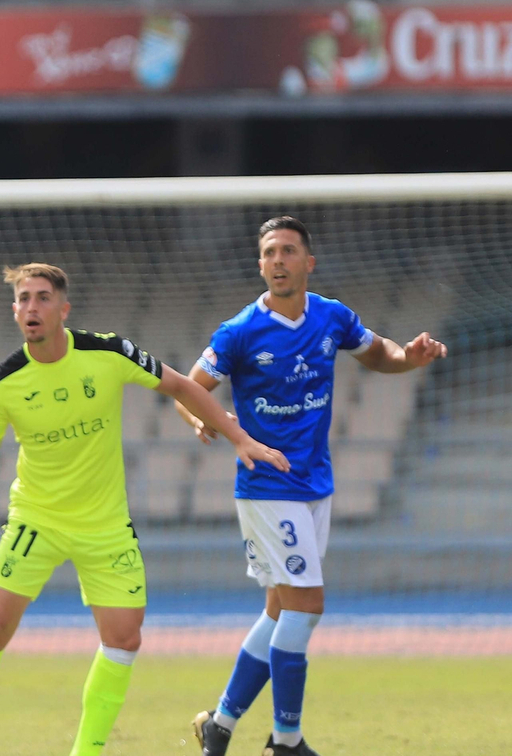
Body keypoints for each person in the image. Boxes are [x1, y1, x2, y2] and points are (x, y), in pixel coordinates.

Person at [0, 263, 290, 756]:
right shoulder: (4, 382)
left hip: (104, 526)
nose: (32, 307)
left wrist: (239, 438)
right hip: (36, 520)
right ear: (14, 310)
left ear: (64, 308)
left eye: (42, 297)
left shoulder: (108, 352)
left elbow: (182, 387)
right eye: (23, 299)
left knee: (124, 638)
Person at [183, 216, 447, 756]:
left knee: (281, 610)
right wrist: (202, 419)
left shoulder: (332, 317)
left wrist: (408, 357)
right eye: (269, 253)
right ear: (260, 265)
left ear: (309, 262)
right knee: (307, 605)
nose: (277, 261)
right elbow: (192, 387)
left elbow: (378, 354)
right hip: (267, 485)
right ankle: (286, 742)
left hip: (315, 485)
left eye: (288, 251)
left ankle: (221, 725)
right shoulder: (239, 331)